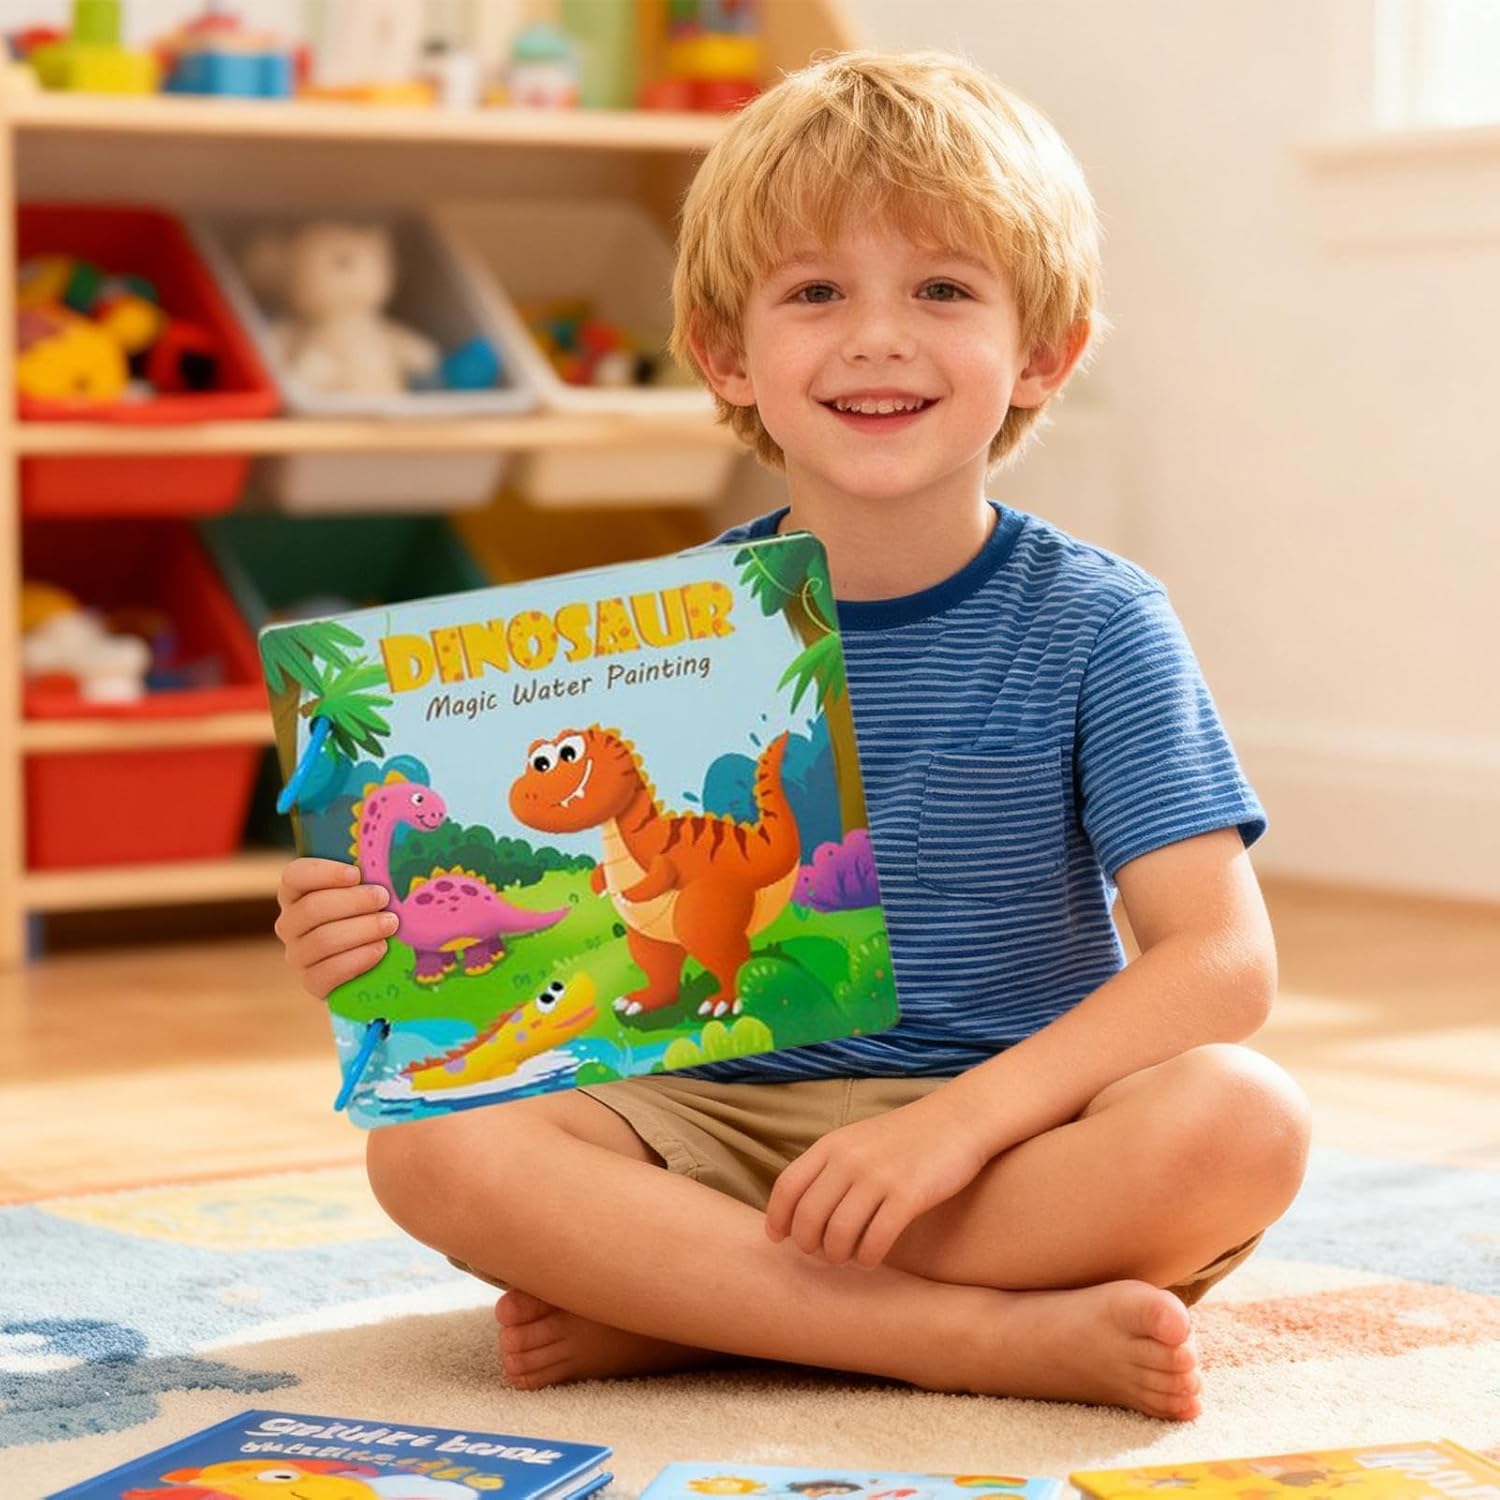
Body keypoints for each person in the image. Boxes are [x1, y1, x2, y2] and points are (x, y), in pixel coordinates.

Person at [274, 50, 1310, 1422]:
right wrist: (363, 937)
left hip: (1006, 1137)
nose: (877, 338)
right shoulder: (655, 636)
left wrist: (958, 1125)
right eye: (815, 293)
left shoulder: (1100, 623)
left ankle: (698, 1306)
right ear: (726, 353)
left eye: (943, 290)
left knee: (1246, 1121)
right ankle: (960, 1339)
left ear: (1044, 351)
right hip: (700, 1120)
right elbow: (552, 951)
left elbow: (1223, 962)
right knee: (428, 1150)